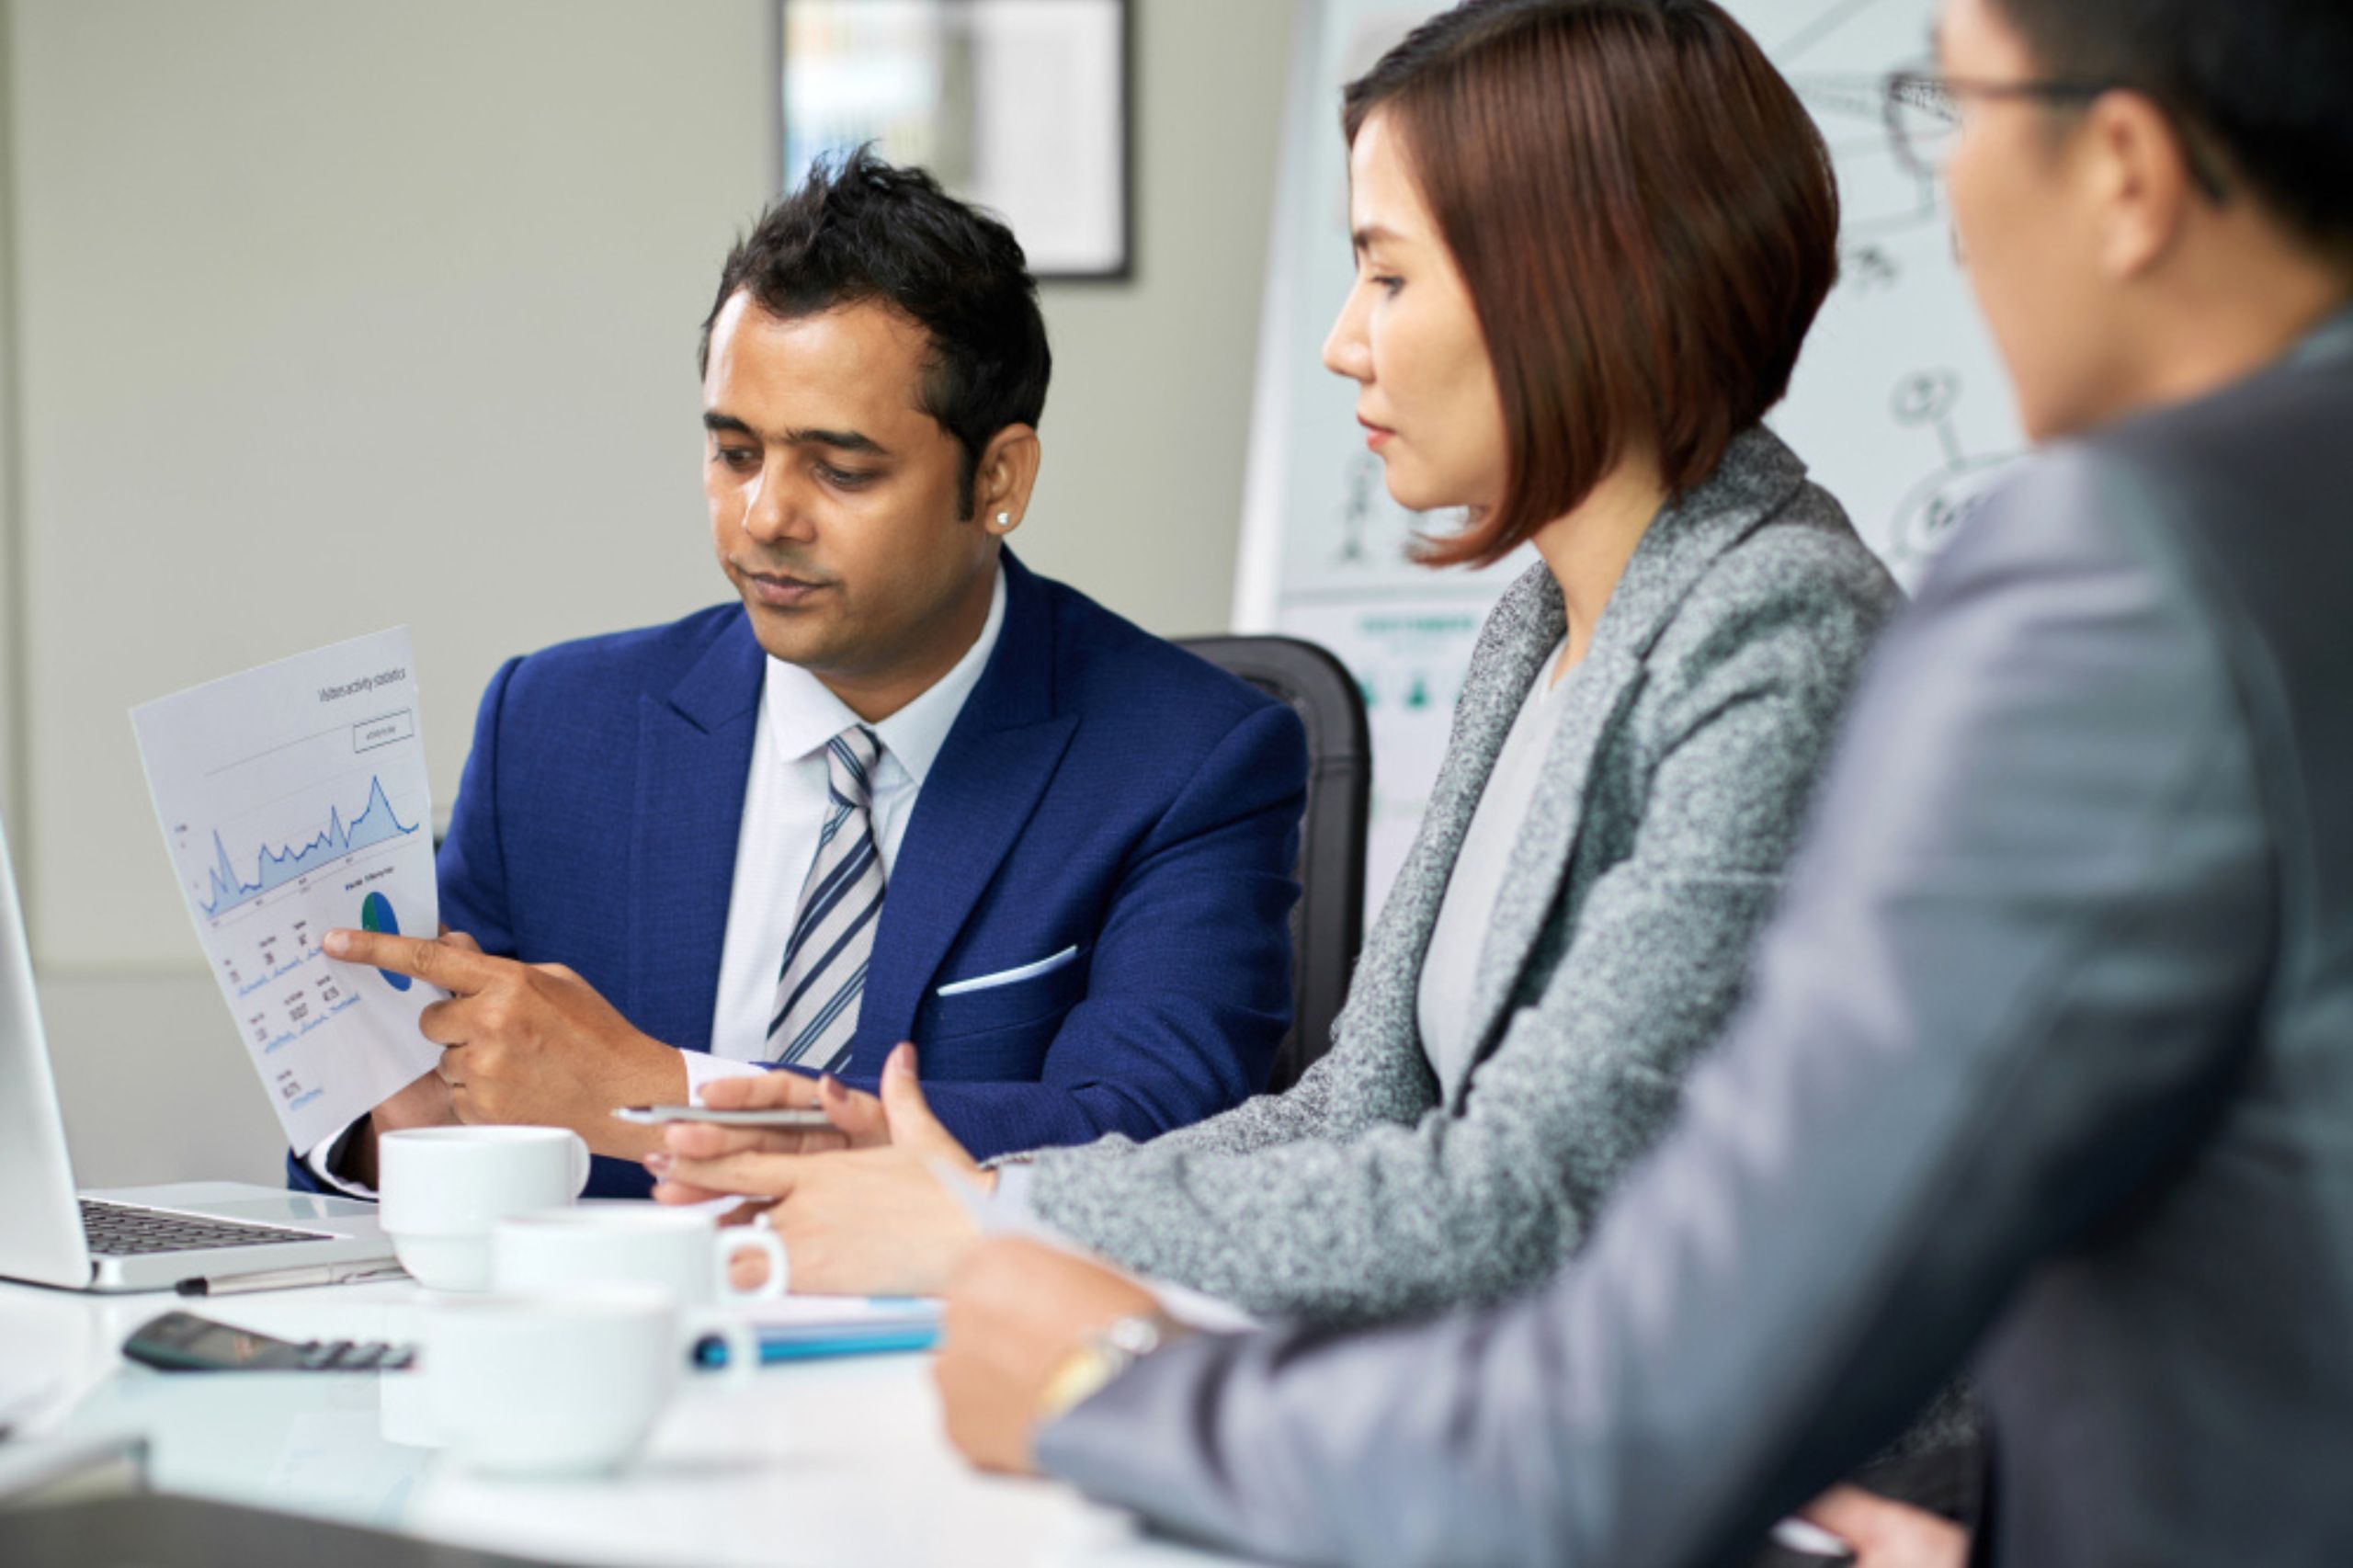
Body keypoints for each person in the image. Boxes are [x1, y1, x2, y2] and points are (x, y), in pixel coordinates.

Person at [928, 0, 2353, 1562]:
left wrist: (1105, 1381)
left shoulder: (2109, 574)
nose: (1944, 190)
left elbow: (1601, 1357)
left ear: (2130, 172)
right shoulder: (1539, 618)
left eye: (1958, 114)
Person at [302, 150, 1310, 1198]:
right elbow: (417, 1114)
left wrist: (658, 1090)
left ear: (998, 477)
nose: (765, 518)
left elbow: (1148, 1136)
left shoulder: (1189, 759)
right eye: (736, 453)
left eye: (840, 468)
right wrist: (409, 1124)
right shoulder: (551, 727)